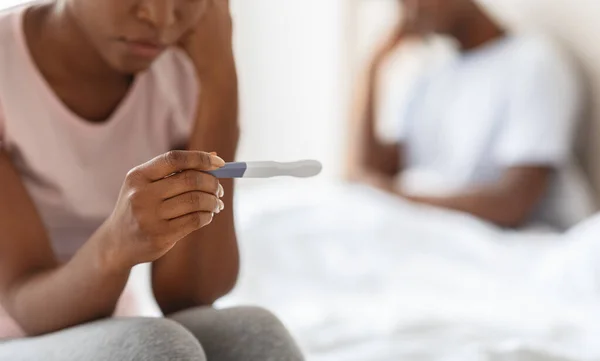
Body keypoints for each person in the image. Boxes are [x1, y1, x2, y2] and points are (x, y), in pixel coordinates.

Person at [0, 0, 303, 360]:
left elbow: (189, 294)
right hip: (15, 328)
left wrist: (220, 77)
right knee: (156, 349)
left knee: (254, 333)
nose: (160, 19)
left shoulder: (181, 68)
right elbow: (22, 301)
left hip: (101, 322)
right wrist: (115, 248)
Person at [349, 0, 594, 229]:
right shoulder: (430, 75)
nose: (407, 9)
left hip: (498, 241)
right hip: (422, 228)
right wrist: (372, 68)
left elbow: (513, 203)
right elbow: (368, 174)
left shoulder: (533, 63)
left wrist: (398, 200)